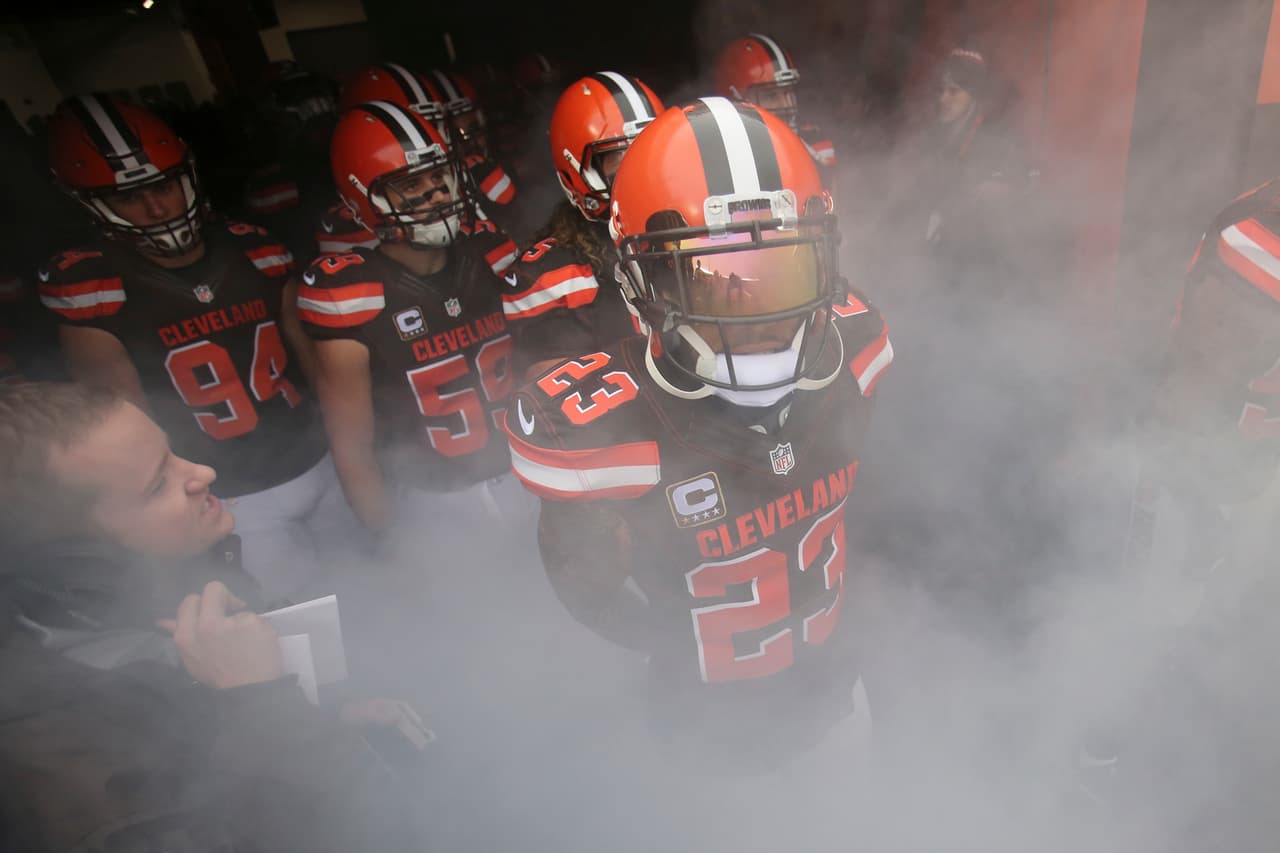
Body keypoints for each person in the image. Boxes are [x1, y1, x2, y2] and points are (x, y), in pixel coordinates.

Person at [503, 96, 893, 769]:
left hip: (836, 698)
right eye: (718, 279)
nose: (761, 314)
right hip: (709, 742)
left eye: (786, 269)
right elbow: (590, 593)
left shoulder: (854, 348)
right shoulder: (600, 426)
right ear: (640, 279)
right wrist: (669, 637)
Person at [0, 381, 427, 852]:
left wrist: (326, 722)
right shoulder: (60, 761)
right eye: (158, 485)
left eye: (173, 453)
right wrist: (265, 709)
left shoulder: (176, 577)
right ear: (83, 565)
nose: (203, 471)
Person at [37, 94, 343, 602]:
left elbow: (318, 370)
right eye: (131, 197)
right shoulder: (91, 284)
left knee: (372, 594)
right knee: (302, 623)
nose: (157, 207)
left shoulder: (256, 248)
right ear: (90, 202)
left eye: (163, 186)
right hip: (230, 496)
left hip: (316, 458)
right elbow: (122, 426)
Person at [292, 99, 525, 538]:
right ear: (365, 199)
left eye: (439, 175)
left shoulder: (490, 252)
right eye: (411, 184)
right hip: (433, 499)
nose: (436, 192)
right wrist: (389, 541)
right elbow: (352, 448)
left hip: (523, 471)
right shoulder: (351, 292)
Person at [504, 71, 663, 381]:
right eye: (621, 154)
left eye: (649, 146)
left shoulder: (696, 231)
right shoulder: (551, 273)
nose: (642, 165)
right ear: (576, 172)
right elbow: (566, 405)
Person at [328, 63, 520, 275]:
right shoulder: (349, 277)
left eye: (434, 123)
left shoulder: (484, 240)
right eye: (411, 184)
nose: (438, 195)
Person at [713, 33, 838, 177]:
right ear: (733, 99)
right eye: (771, 96)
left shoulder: (813, 139)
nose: (786, 104)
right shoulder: (717, 155)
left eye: (788, 93)